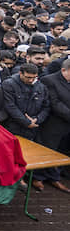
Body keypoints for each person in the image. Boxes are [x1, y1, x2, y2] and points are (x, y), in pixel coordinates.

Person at [2, 63, 53, 191]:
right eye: (28, 77)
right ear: (21, 73)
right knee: (13, 154)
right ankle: (16, 179)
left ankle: (27, 176)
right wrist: (26, 122)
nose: (31, 80)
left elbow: (46, 106)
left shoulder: (40, 87)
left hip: (33, 126)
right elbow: (10, 106)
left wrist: (37, 120)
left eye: (34, 77)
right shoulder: (9, 84)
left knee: (28, 155)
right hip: (14, 126)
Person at [39, 58, 70, 193]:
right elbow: (55, 103)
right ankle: (37, 177)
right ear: (63, 70)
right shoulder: (49, 80)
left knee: (61, 151)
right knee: (46, 150)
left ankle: (54, 177)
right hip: (53, 123)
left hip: (67, 126)